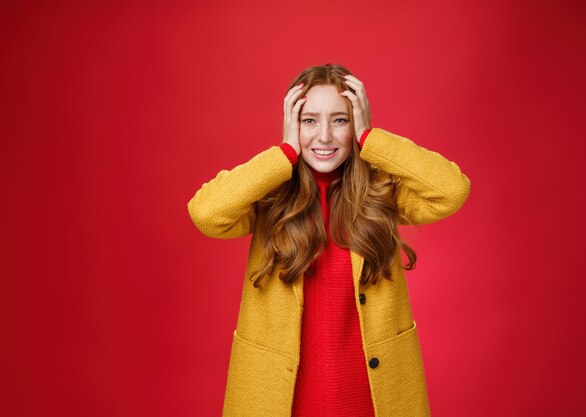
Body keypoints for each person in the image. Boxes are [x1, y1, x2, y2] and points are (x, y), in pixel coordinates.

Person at [187, 63, 471, 417]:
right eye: (309, 121)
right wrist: (286, 152)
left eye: (340, 120)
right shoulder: (270, 197)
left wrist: (371, 139)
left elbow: (452, 190)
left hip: (374, 402)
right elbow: (206, 213)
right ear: (293, 124)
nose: (324, 136)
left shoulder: (381, 192)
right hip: (281, 403)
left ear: (356, 123)